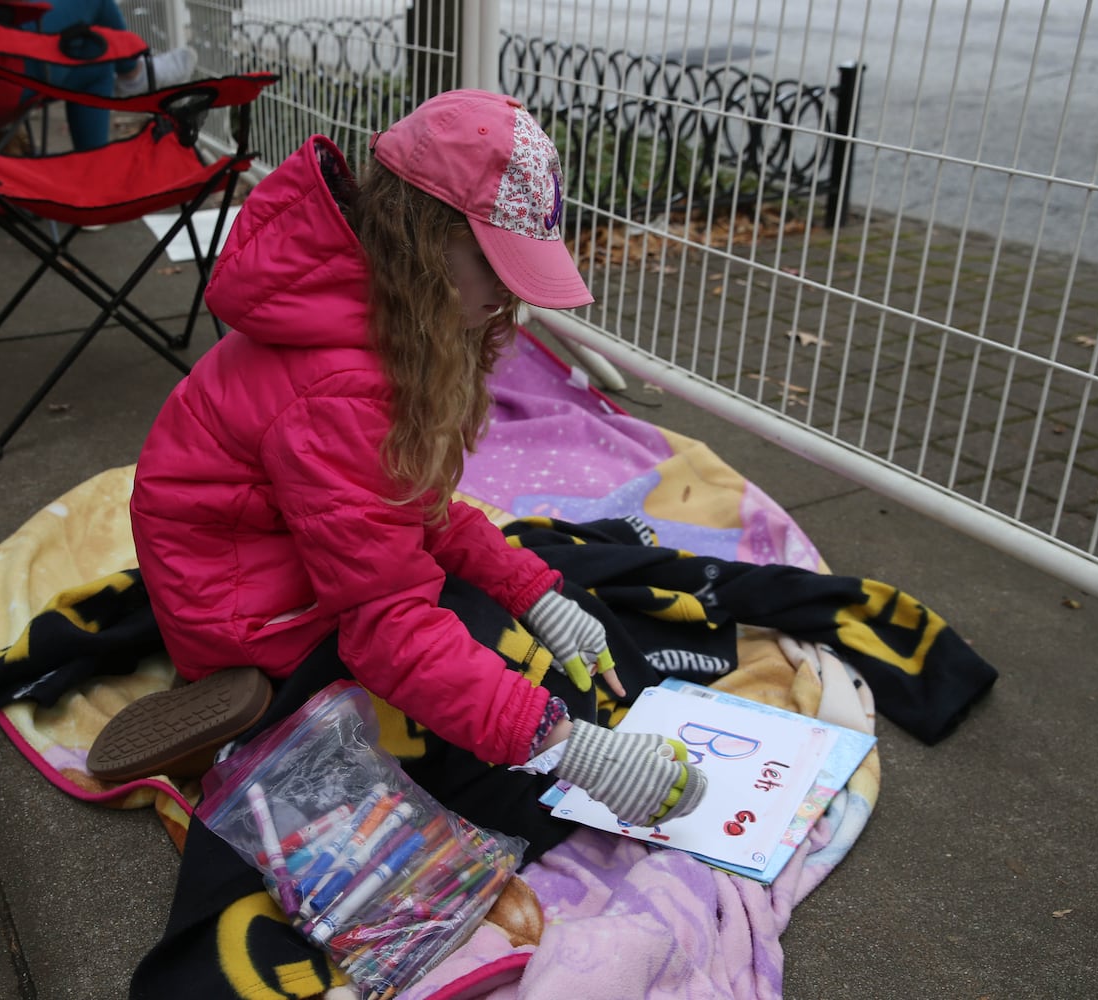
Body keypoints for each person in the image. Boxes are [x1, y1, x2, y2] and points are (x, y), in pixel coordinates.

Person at [122, 89, 707, 832]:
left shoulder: (376, 314)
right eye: (495, 266)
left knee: (516, 636)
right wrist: (568, 749)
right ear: (423, 242)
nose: (507, 298)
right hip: (250, 613)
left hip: (295, 561)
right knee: (507, 758)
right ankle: (253, 705)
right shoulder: (343, 391)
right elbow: (386, 624)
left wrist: (533, 592)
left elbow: (404, 508)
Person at [35, 0, 196, 150]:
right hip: (16, 71)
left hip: (15, 73)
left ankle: (95, 168)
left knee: (97, 65)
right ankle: (133, 72)